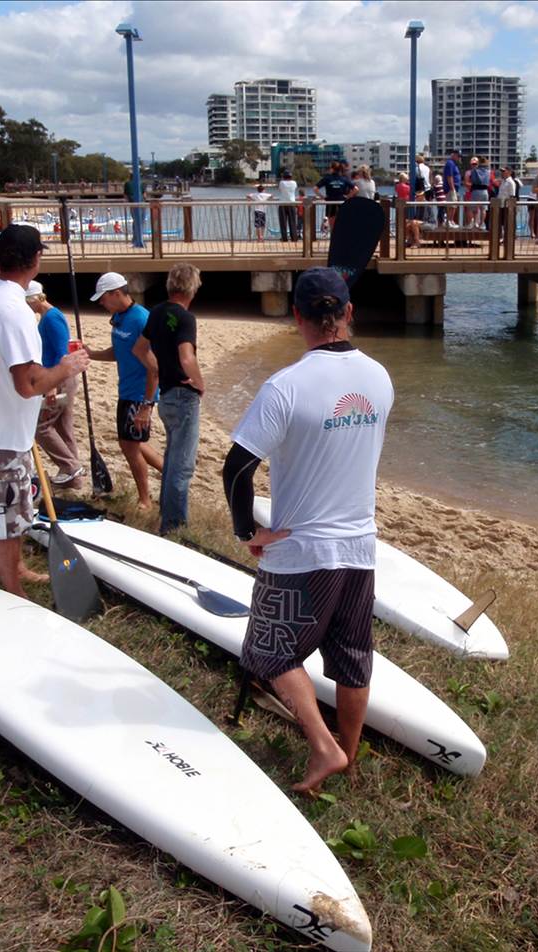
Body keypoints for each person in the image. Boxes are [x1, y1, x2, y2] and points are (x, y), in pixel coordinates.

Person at [222, 267, 393, 795]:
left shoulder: (286, 386)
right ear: (349, 312)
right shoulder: (380, 378)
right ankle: (350, 757)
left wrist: (247, 530)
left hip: (301, 552)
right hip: (359, 546)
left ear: (296, 316)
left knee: (270, 652)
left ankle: (325, 748)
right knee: (352, 659)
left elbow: (237, 468)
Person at [0, 224, 90, 597]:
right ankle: (14, 591)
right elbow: (28, 383)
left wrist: (42, 386)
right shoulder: (16, 311)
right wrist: (66, 368)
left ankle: (17, 570)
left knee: (15, 506)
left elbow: (12, 370)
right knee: (6, 513)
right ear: (35, 258)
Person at [84, 271, 165, 509]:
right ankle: (169, 472)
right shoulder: (119, 318)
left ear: (117, 293)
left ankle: (145, 500)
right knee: (131, 442)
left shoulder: (141, 319)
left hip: (140, 394)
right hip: (126, 390)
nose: (101, 303)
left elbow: (155, 367)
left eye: (103, 298)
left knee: (129, 447)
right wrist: (91, 354)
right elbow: (119, 351)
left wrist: (146, 405)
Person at [134, 263, 205, 535]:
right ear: (192, 288)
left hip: (165, 396)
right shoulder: (185, 318)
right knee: (182, 466)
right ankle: (174, 527)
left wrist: (157, 368)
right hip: (183, 396)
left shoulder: (157, 312)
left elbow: (140, 348)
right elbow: (187, 357)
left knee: (172, 459)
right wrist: (200, 383)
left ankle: (165, 517)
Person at [26, 280, 83, 489]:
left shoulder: (51, 318)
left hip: (60, 378)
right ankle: (73, 479)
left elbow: (61, 352)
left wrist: (52, 384)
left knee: (41, 427)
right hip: (60, 376)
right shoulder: (47, 317)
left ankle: (70, 466)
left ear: (34, 299)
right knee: (63, 427)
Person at [314, 162, 354, 232]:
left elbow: (315, 188)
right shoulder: (344, 179)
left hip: (330, 203)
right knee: (342, 224)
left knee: (332, 227)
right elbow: (356, 189)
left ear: (332, 169)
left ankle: (333, 237)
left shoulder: (327, 178)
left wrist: (322, 197)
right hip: (341, 203)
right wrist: (347, 196)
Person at [465, 156, 490, 228]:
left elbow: (473, 180)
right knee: (483, 209)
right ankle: (482, 224)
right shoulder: (488, 171)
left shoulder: (474, 171)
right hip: (485, 191)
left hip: (476, 190)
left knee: (472, 208)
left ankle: (472, 224)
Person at [276, 168, 300, 242]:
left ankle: (284, 238)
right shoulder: (294, 183)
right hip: (292, 203)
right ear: (291, 176)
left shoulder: (281, 183)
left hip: (282, 203)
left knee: (283, 222)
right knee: (292, 221)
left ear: (284, 176)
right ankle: (294, 237)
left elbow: (279, 189)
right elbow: (295, 189)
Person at [441, 150, 462, 223]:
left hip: (454, 188)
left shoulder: (453, 164)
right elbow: (449, 176)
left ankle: (451, 220)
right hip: (451, 188)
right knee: (452, 205)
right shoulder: (450, 163)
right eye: (458, 156)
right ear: (454, 155)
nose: (459, 158)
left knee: (453, 205)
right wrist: (452, 188)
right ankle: (449, 221)